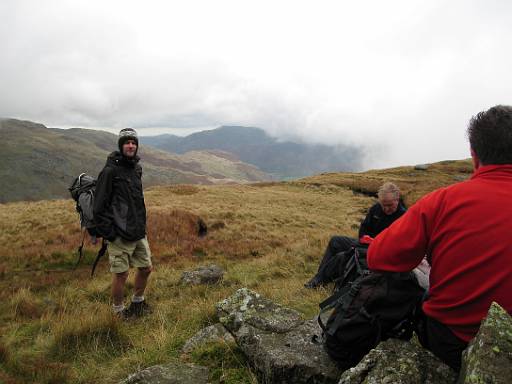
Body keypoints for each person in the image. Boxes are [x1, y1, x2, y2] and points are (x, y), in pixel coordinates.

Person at [367, 105, 512, 371]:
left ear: (474, 156)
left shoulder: (443, 201)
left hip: (450, 342)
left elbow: (377, 256)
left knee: (418, 293)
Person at [93, 128, 153, 318]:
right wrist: (110, 233)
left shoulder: (136, 169)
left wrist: (142, 225)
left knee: (146, 268)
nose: (130, 145)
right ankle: (118, 312)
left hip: (138, 232)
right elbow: (98, 207)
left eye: (133, 143)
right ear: (121, 145)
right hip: (119, 234)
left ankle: (137, 303)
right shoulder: (110, 171)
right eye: (127, 142)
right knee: (121, 274)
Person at [304, 182, 406, 288]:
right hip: (366, 245)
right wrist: (364, 238)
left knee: (343, 256)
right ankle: (319, 277)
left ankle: (318, 282)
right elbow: (364, 228)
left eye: (389, 205)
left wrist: (377, 244)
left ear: (397, 199)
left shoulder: (404, 217)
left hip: (382, 253)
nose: (386, 209)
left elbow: (400, 245)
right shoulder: (376, 209)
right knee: (335, 241)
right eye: (383, 205)